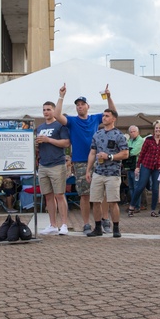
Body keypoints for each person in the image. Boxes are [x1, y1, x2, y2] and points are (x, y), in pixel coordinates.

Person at [56, 83, 116, 235]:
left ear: (88, 106)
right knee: (84, 194)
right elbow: (57, 115)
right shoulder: (72, 121)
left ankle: (104, 220)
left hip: (99, 160)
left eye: (82, 104)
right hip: (80, 161)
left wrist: (109, 97)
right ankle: (86, 224)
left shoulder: (96, 118)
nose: (80, 107)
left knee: (102, 193)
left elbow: (113, 112)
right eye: (78, 105)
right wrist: (61, 96)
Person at [85, 108, 128, 237]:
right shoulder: (97, 134)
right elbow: (92, 152)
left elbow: (125, 153)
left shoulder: (119, 135)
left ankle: (116, 228)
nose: (104, 118)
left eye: (107, 116)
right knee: (95, 201)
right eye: (103, 116)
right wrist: (88, 170)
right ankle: (97, 227)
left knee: (112, 202)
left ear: (114, 119)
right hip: (98, 172)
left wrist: (110, 157)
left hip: (113, 173)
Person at [35, 101, 71, 236]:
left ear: (54, 111)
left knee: (59, 195)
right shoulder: (39, 127)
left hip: (57, 164)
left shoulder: (60, 126)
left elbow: (66, 143)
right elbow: (40, 145)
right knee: (48, 196)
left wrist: (48, 140)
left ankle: (64, 224)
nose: (46, 112)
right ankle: (52, 224)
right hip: (43, 164)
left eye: (49, 109)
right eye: (44, 109)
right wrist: (37, 144)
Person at [131, 121, 160, 216]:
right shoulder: (148, 140)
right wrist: (137, 167)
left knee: (156, 188)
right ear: (154, 129)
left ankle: (153, 210)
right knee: (141, 186)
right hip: (146, 165)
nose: (158, 130)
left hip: (157, 167)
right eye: (156, 128)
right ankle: (132, 206)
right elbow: (142, 154)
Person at [123, 125, 144, 213]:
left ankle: (137, 206)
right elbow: (125, 150)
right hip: (129, 167)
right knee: (131, 187)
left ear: (138, 132)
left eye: (134, 131)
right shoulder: (129, 140)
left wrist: (126, 153)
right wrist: (126, 152)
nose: (132, 133)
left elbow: (134, 152)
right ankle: (133, 204)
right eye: (131, 132)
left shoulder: (140, 140)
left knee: (136, 187)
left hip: (137, 166)